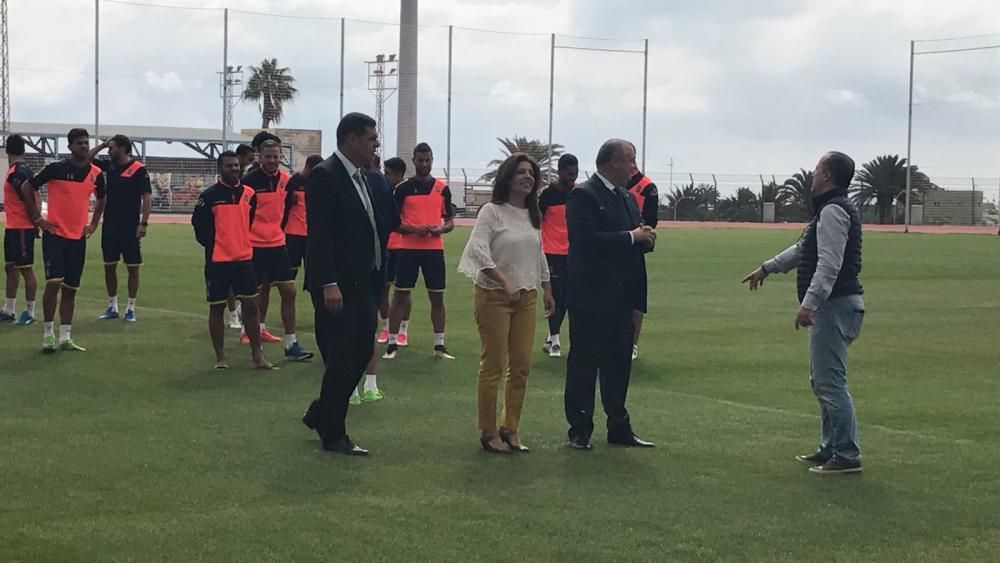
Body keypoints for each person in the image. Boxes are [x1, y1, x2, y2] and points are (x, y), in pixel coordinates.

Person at [741, 151, 865, 475]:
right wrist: (767, 268)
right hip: (834, 305)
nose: (812, 174)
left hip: (834, 306)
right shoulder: (828, 210)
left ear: (827, 176)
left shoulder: (834, 211)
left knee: (830, 383)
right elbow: (802, 250)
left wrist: (809, 303)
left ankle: (847, 455)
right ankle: (831, 448)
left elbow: (829, 264)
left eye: (817, 169)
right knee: (821, 381)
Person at [459, 153, 555, 454]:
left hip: (527, 297)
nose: (527, 177)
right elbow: (476, 250)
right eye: (521, 172)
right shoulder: (492, 212)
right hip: (494, 297)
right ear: (508, 178)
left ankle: (510, 427)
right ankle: (488, 433)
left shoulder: (532, 214)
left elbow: (538, 253)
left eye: (531, 173)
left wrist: (547, 287)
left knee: (521, 366)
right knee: (494, 365)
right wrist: (504, 281)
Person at [300, 112, 384, 456]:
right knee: (341, 358)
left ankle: (322, 412)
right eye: (370, 138)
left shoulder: (367, 178)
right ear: (351, 139)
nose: (375, 144)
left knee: (362, 352)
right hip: (337, 286)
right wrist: (328, 283)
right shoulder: (325, 176)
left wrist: (381, 285)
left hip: (364, 282)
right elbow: (319, 235)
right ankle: (334, 434)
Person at [563, 139, 656, 450]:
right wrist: (632, 236)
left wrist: (645, 239)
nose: (634, 167)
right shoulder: (583, 195)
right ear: (612, 162)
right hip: (591, 295)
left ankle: (619, 425)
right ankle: (579, 428)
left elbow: (630, 238)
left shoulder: (628, 198)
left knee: (619, 363)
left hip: (621, 296)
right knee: (585, 363)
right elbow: (586, 241)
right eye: (630, 160)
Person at [20, 128, 106, 352]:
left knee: (71, 288)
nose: (85, 147)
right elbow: (27, 186)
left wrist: (94, 223)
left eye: (87, 143)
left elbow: (102, 199)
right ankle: (48, 334)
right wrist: (38, 219)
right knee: (54, 283)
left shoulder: (96, 173)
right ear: (70, 147)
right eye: (79, 143)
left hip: (78, 237)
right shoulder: (55, 169)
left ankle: (65, 337)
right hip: (55, 235)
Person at [192, 151, 273, 371]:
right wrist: (216, 244)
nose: (234, 169)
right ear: (220, 169)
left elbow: (249, 219)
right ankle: (221, 358)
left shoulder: (249, 194)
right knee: (217, 309)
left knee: (251, 307)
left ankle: (257, 355)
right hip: (218, 261)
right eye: (229, 166)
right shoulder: (209, 196)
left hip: (244, 259)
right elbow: (199, 227)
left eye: (236, 165)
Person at [240, 140, 313, 361]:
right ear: (259, 157)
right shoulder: (249, 182)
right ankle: (252, 335)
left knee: (288, 291)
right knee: (255, 295)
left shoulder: (285, 180)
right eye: (267, 156)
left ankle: (291, 344)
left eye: (275, 157)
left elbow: (287, 208)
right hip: (254, 244)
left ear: (280, 156)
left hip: (277, 243)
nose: (272, 161)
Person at [383, 143, 456, 360]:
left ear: (432, 160)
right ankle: (392, 343)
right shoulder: (402, 189)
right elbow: (393, 223)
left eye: (427, 160)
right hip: (408, 249)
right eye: (420, 160)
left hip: (434, 250)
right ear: (413, 161)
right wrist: (415, 230)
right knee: (400, 295)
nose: (424, 164)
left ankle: (439, 345)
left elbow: (450, 221)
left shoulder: (442, 188)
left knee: (437, 297)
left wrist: (440, 229)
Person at [349, 154, 400, 405]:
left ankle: (351, 389)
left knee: (346, 330)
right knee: (367, 325)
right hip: (376, 261)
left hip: (348, 265)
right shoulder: (380, 182)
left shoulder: (342, 179)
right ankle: (370, 384)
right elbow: (394, 221)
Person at [89, 135, 152, 323]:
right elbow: (89, 158)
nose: (109, 150)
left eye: (113, 147)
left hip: (130, 226)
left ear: (123, 148)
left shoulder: (138, 169)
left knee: (133, 268)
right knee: (109, 267)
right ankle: (112, 306)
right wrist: (103, 144)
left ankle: (131, 308)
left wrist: (144, 223)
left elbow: (147, 197)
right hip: (110, 225)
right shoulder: (110, 166)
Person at [538, 153, 578, 358]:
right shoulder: (547, 195)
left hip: (573, 254)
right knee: (555, 298)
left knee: (570, 299)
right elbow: (536, 221)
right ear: (560, 171)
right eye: (569, 174)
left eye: (575, 175)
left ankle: (551, 338)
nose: (572, 179)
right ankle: (555, 341)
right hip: (552, 254)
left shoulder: (578, 193)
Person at [2, 134, 39, 325]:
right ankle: (9, 308)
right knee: (10, 267)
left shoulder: (18, 172)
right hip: (13, 226)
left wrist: (36, 221)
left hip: (22, 226)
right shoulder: (19, 170)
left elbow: (32, 197)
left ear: (7, 151)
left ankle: (30, 312)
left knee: (26, 269)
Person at [625, 158, 659, 360]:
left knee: (637, 300)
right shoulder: (614, 183)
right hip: (616, 245)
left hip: (636, 246)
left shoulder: (647, 187)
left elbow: (651, 219)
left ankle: (632, 345)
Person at [226, 143, 258, 329]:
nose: (247, 164)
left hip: (244, 242)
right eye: (248, 159)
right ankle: (232, 314)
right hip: (228, 244)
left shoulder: (246, 184)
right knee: (229, 284)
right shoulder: (233, 182)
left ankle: (239, 313)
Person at [378, 156, 408, 345]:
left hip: (404, 246)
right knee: (383, 289)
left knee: (404, 290)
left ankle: (403, 329)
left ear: (398, 174)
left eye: (388, 173)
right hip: (387, 245)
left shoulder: (405, 191)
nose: (385, 176)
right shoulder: (384, 190)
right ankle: (386, 327)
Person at [282, 154, 323, 281]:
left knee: (313, 272)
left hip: (310, 233)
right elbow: (284, 206)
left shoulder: (316, 183)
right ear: (308, 167)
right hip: (293, 233)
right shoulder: (293, 182)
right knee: (291, 271)